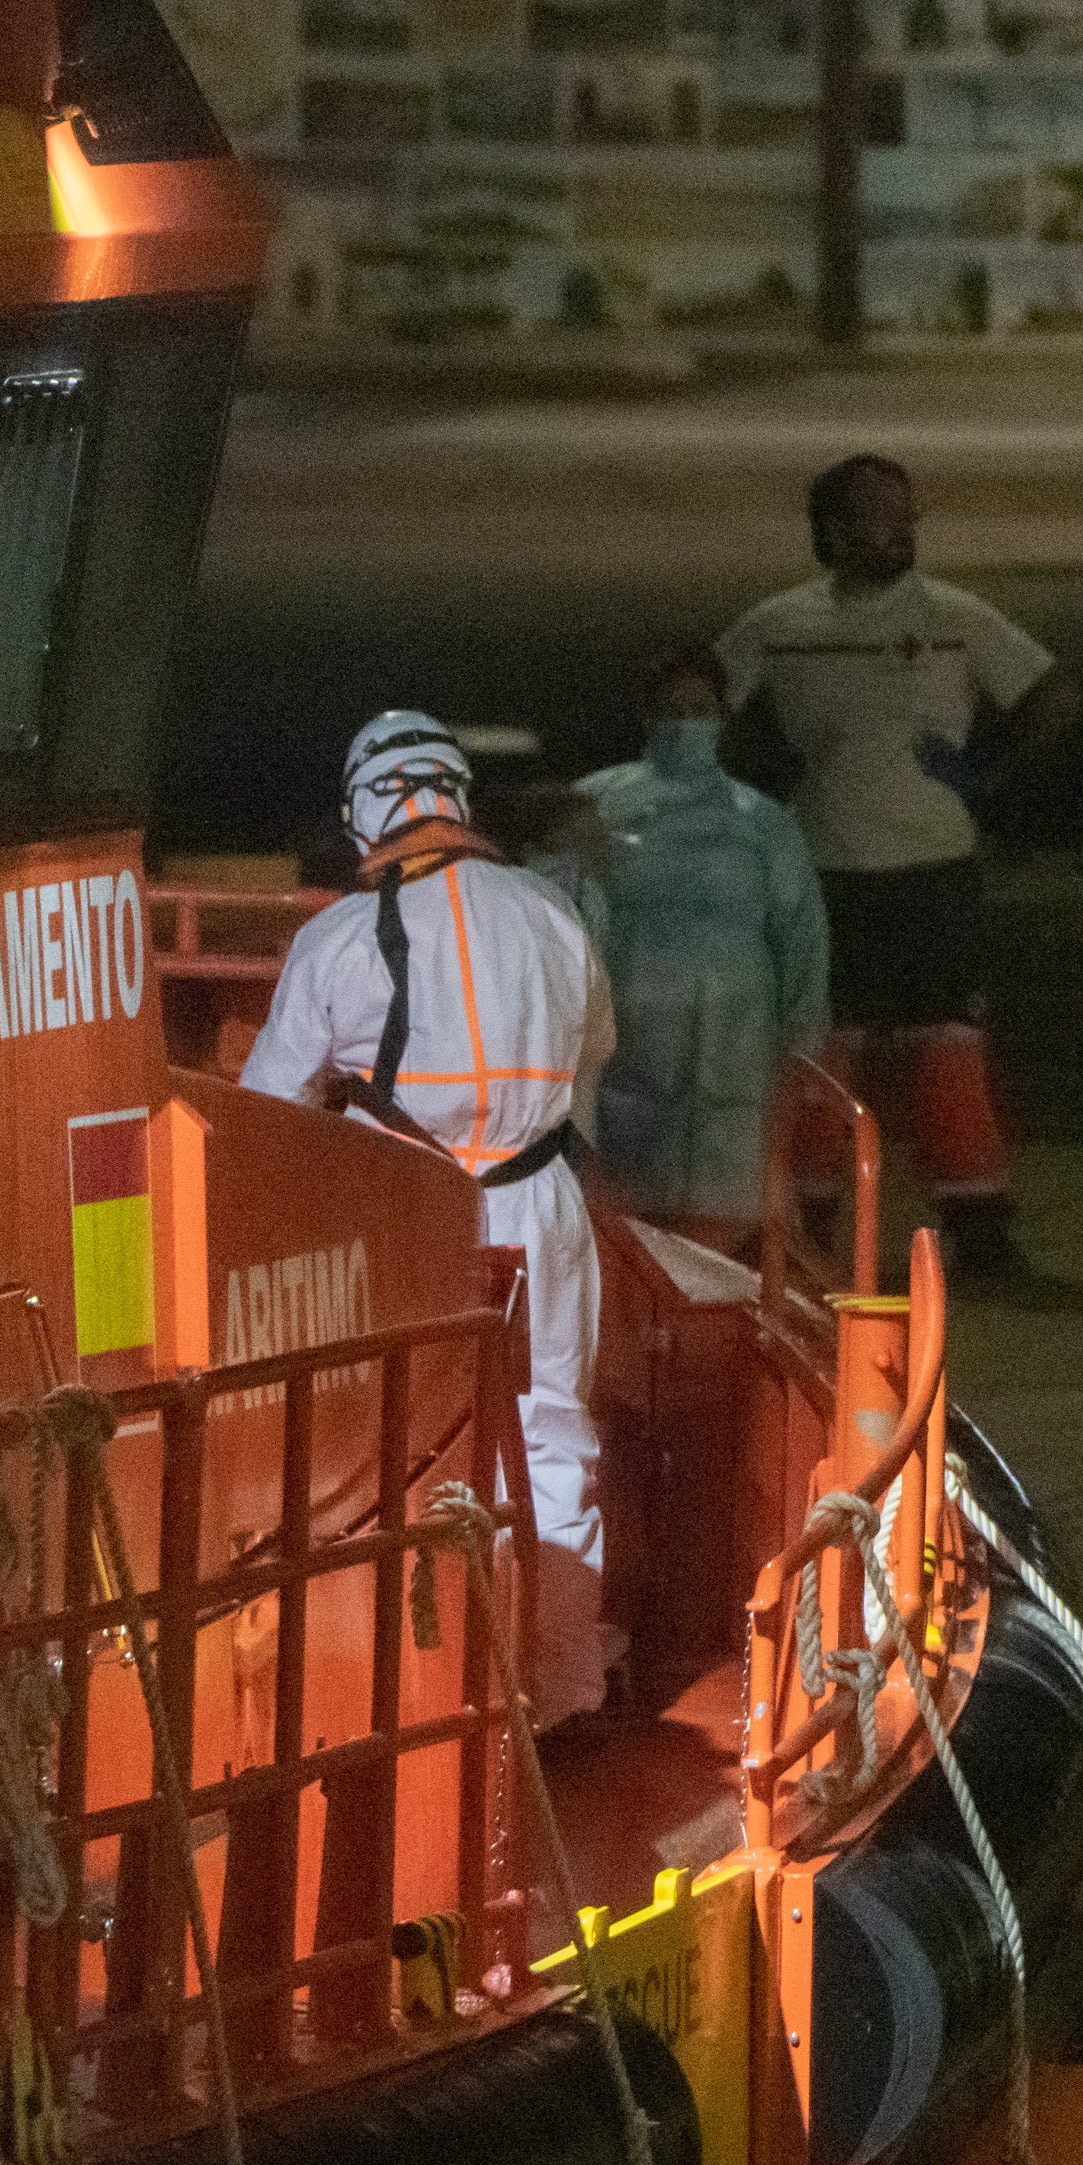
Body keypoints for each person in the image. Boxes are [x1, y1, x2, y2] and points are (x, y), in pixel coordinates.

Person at [243, 713, 618, 1725]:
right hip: (541, 1204)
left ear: (361, 815)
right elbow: (595, 1048)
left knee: (404, 1448)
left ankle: (429, 1690)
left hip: (408, 1215)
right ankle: (560, 1680)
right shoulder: (550, 913)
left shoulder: (334, 939)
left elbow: (267, 1112)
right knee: (552, 1436)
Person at [717, 454, 1077, 1277]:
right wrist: (753, 787)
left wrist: (987, 776)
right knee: (824, 1050)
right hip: (824, 869)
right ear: (832, 529)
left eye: (905, 511)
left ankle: (978, 1227)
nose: (898, 527)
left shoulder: (954, 616)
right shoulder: (781, 623)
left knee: (948, 1049)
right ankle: (804, 1226)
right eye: (876, 512)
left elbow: (1054, 694)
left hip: (936, 868)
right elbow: (705, 698)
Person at [551, 645, 833, 1239]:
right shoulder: (596, 805)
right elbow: (554, 918)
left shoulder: (764, 822)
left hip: (737, 1047)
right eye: (671, 709)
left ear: (722, 717)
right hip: (627, 1044)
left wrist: (803, 1039)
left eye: (698, 709)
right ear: (647, 715)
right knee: (627, 1214)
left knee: (723, 1210)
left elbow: (801, 935)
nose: (685, 723)